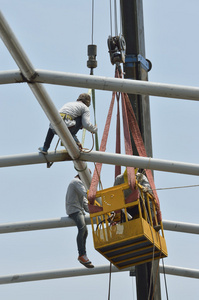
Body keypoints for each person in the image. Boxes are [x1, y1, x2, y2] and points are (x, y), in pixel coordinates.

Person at [65, 174, 94, 268]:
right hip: (75, 210)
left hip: (78, 209)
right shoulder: (76, 182)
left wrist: (96, 211)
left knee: (85, 231)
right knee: (82, 229)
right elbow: (87, 194)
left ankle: (83, 254)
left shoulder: (79, 184)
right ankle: (81, 254)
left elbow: (85, 203)